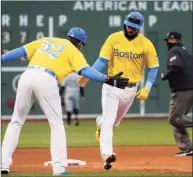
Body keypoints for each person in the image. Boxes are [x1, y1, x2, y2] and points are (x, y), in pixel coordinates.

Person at [1, 27, 129, 175]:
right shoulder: (73, 51)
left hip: (27, 75)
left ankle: (3, 165)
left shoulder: (46, 40)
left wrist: (1, 59)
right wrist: (107, 79)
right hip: (47, 79)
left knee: (16, 122)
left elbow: (21, 51)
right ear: (80, 43)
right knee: (56, 125)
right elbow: (85, 71)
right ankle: (59, 168)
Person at [77, 12, 159, 170]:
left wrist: (147, 87)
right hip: (112, 86)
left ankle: (99, 123)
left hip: (130, 88)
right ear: (125, 23)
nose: (130, 29)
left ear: (139, 28)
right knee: (109, 121)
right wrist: (89, 75)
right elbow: (102, 60)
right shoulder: (113, 38)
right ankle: (107, 154)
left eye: (134, 27)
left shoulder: (146, 43)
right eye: (129, 25)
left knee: (113, 123)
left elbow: (154, 68)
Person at [161, 31, 193, 156]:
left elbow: (176, 66)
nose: (168, 43)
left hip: (182, 90)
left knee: (175, 118)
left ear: (174, 40)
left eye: (169, 40)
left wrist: (165, 74)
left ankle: (187, 147)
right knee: (178, 118)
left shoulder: (174, 51)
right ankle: (187, 148)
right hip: (188, 88)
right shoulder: (186, 53)